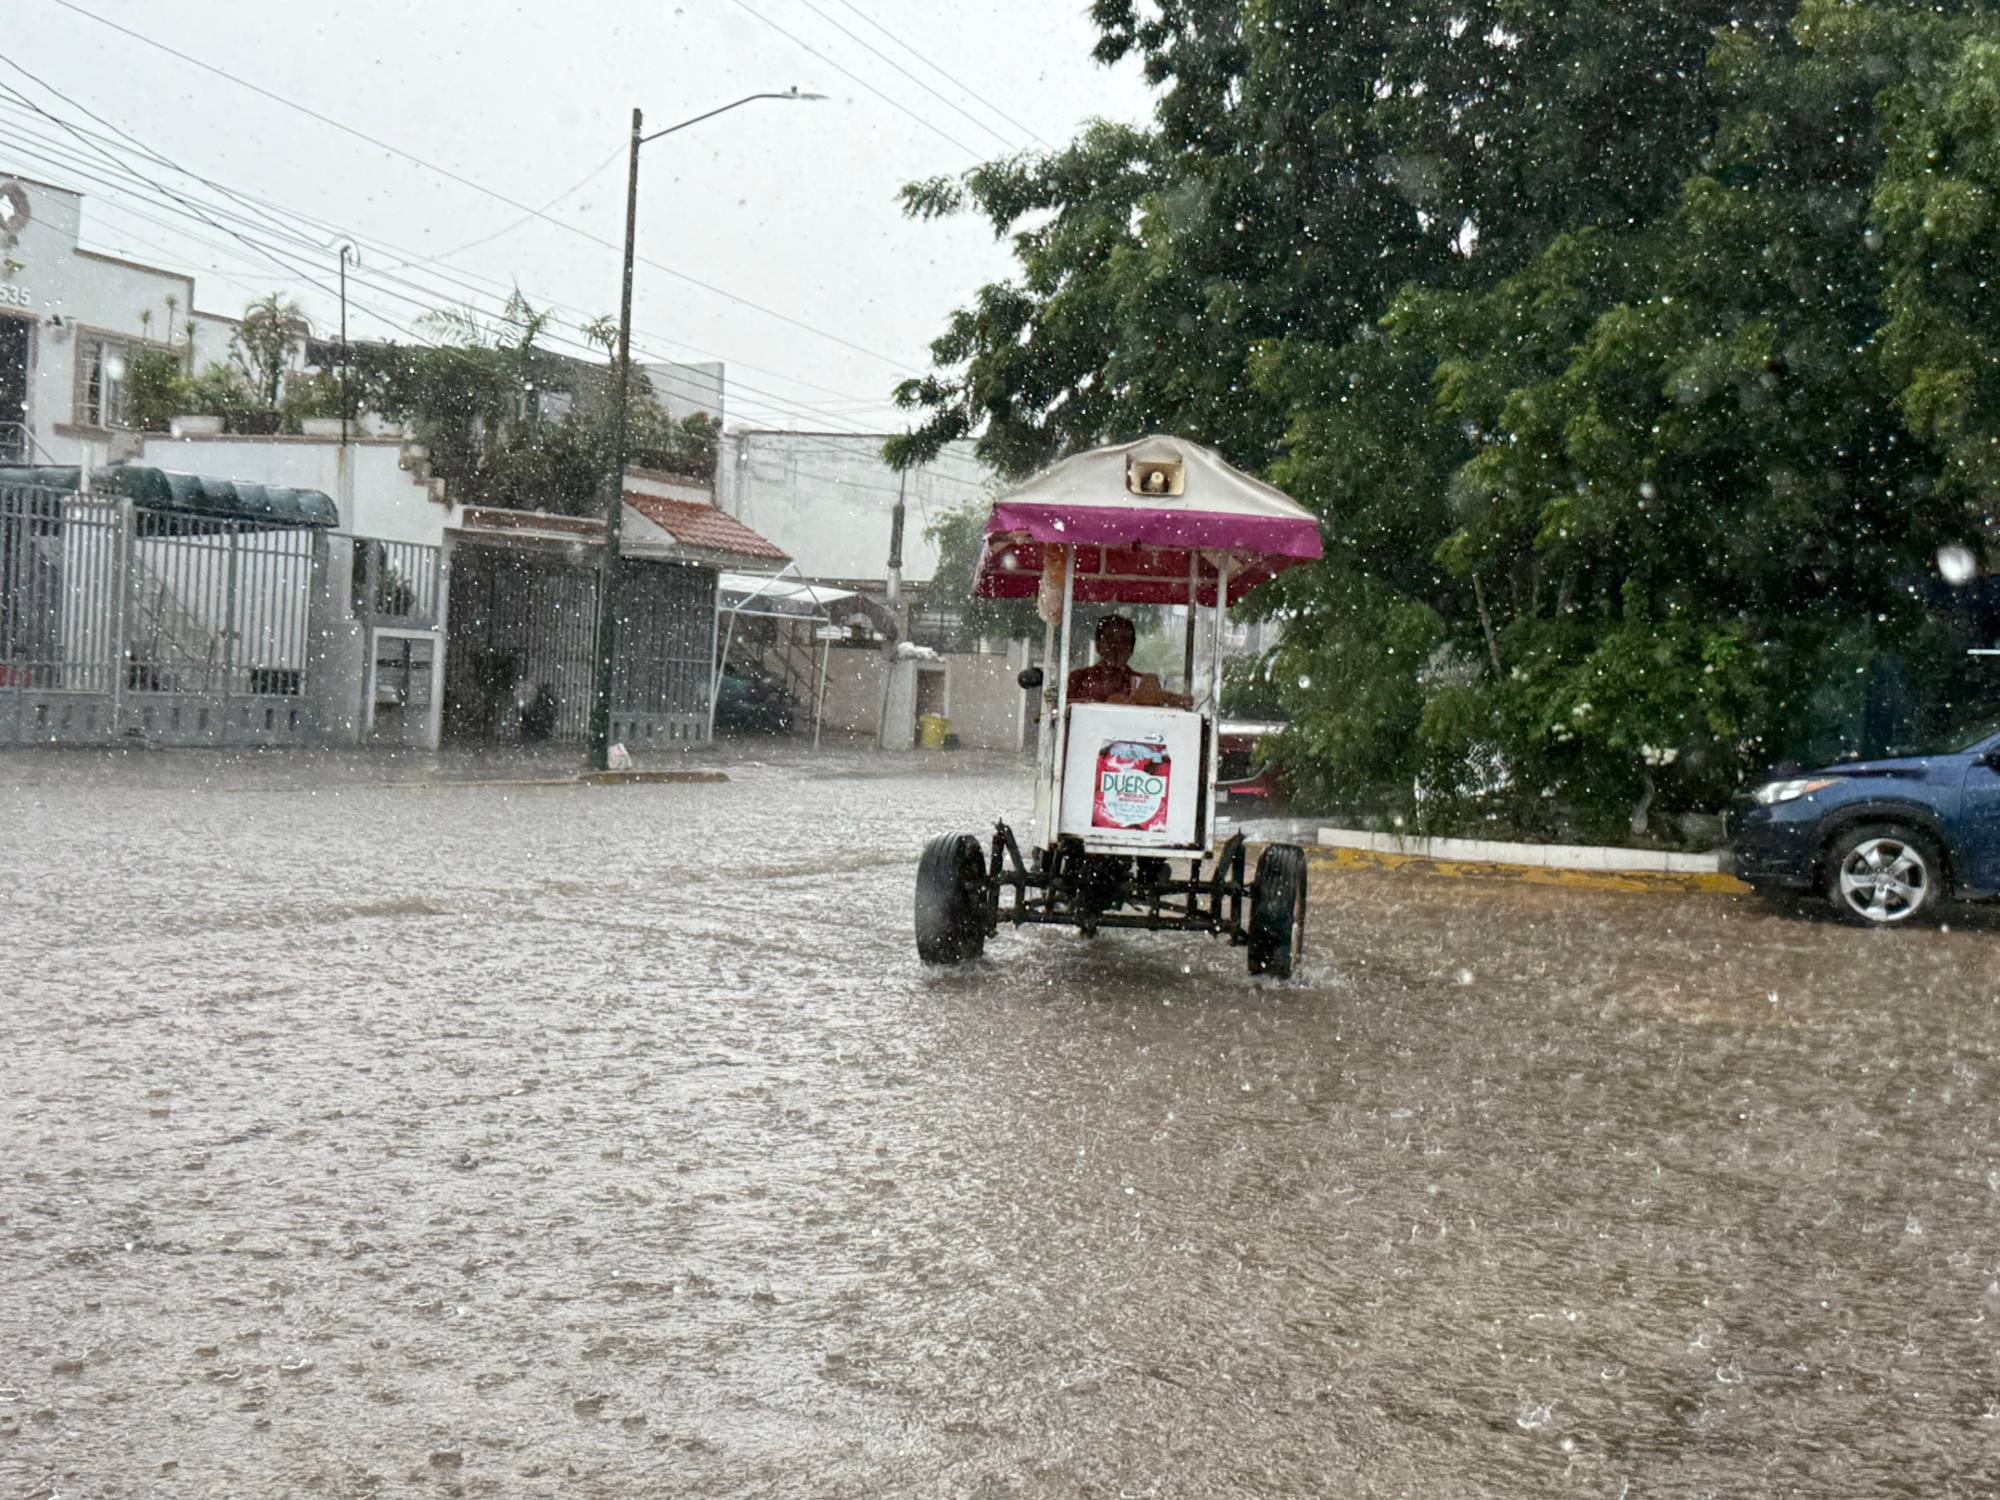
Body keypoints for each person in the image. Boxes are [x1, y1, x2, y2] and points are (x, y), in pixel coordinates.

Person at [1067, 614, 1192, 708]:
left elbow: (1160, 715)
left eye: (1123, 642)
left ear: (1131, 649)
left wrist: (1165, 697)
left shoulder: (1142, 683)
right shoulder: (1077, 679)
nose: (1115, 647)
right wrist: (1092, 704)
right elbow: (1059, 711)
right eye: (1109, 640)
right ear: (1098, 646)